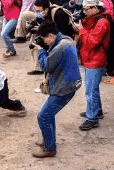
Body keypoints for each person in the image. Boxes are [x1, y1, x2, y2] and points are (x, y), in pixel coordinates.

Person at [33, 22, 81, 158]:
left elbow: (46, 66)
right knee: (49, 114)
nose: (44, 42)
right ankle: (49, 141)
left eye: (44, 39)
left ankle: (50, 148)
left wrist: (41, 49)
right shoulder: (66, 39)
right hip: (68, 84)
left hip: (63, 88)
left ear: (51, 36)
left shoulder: (59, 47)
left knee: (43, 116)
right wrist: (45, 46)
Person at [76, 0, 111, 131]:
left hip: (95, 59)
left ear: (95, 8)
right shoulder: (96, 19)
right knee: (93, 88)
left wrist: (81, 29)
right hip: (92, 58)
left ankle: (92, 119)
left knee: (90, 91)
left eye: (87, 9)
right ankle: (97, 111)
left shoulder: (102, 22)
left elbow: (92, 42)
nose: (84, 12)